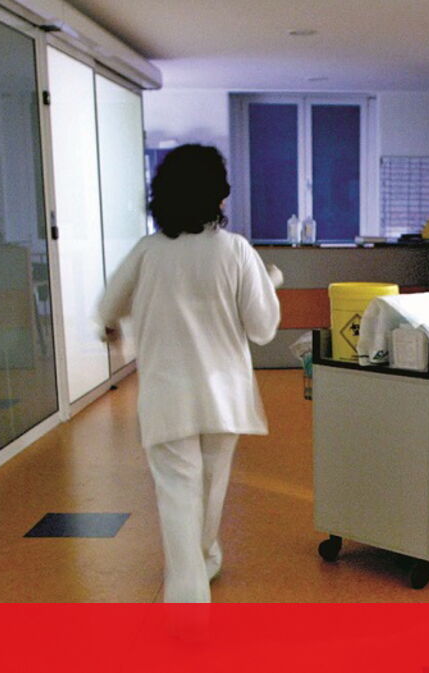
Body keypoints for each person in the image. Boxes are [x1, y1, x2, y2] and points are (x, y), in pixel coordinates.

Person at [98, 144, 282, 603]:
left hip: (166, 394)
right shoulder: (236, 250)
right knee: (210, 489)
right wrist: (267, 284)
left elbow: (108, 305)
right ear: (219, 195)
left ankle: (187, 597)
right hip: (223, 396)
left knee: (179, 495)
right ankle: (201, 566)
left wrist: (113, 326)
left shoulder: (148, 251)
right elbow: (263, 329)